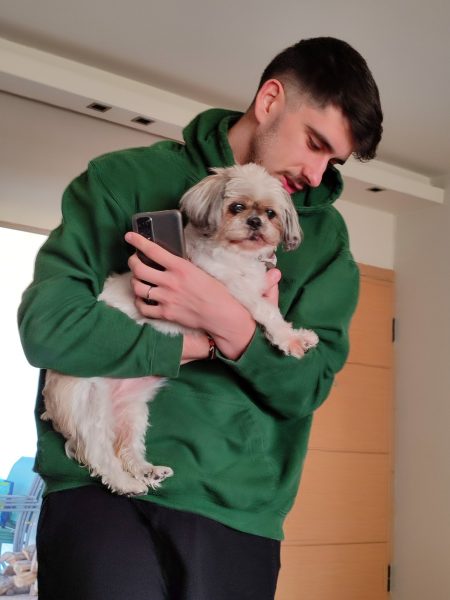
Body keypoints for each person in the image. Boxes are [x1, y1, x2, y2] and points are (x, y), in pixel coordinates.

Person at [18, 36, 382, 600]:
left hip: (238, 510)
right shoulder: (121, 178)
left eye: (334, 161)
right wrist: (188, 341)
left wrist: (228, 324)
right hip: (95, 492)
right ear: (269, 100)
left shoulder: (328, 241)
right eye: (314, 143)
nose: (316, 174)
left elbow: (306, 387)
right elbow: (47, 327)